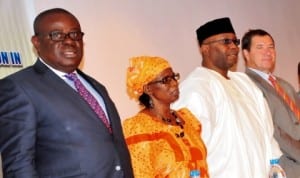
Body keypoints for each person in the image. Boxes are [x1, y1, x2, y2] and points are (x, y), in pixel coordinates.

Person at [0, 8, 133, 178]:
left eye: (75, 34)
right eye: (57, 35)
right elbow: (19, 165)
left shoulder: (96, 87)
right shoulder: (19, 88)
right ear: (36, 42)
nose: (69, 41)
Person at [172, 17, 282, 178]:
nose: (233, 47)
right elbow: (190, 150)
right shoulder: (196, 88)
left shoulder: (244, 82)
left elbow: (267, 131)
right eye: (225, 41)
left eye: (234, 41)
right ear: (205, 49)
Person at [123, 56, 209, 178]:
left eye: (174, 77)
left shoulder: (187, 119)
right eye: (165, 80)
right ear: (148, 89)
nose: (174, 83)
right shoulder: (138, 127)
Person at [242, 29, 300, 178]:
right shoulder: (247, 86)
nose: (267, 52)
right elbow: (271, 129)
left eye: (271, 47)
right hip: (285, 165)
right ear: (246, 54)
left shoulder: (285, 85)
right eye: (260, 47)